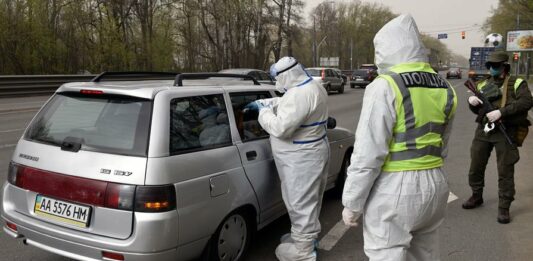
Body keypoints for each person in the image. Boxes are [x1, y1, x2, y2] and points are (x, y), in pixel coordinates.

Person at [341, 14, 457, 261]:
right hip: (435, 184)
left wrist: (352, 202)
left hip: (395, 188)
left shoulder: (385, 86)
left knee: (386, 254)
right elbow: (442, 145)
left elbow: (367, 154)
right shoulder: (443, 86)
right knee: (425, 255)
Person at [245, 56, 330, 261]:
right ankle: (305, 238)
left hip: (301, 159)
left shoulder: (300, 94)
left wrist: (263, 111)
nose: (277, 82)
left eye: (278, 77)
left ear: (287, 75)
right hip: (310, 154)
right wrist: (267, 102)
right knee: (310, 201)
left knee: (300, 202)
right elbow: (288, 101)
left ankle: (303, 252)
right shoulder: (312, 86)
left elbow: (280, 128)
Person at [462, 51, 533, 224]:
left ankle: (504, 207)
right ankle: (476, 195)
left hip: (505, 131)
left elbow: (527, 102)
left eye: (495, 66)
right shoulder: (482, 84)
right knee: (476, 165)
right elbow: (477, 111)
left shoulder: (517, 83)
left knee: (505, 170)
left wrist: (501, 112)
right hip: (484, 130)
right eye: (490, 66)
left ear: (504, 67)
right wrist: (472, 103)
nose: (492, 69)